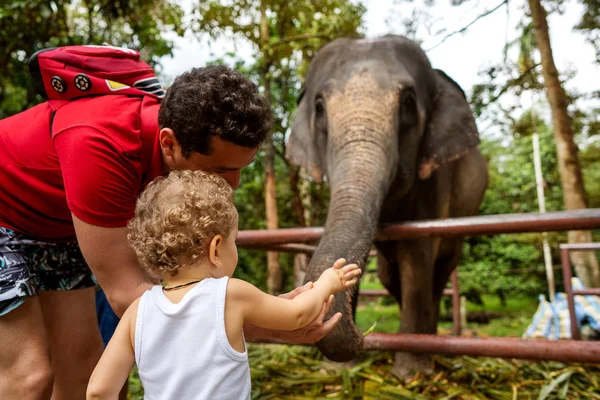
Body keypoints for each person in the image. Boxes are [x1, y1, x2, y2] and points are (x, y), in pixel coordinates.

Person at [0, 62, 343, 399]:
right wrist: (271, 323)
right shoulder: (101, 143)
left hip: (59, 224)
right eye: (221, 170)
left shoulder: (180, 154)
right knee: (30, 375)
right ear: (169, 144)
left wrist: (262, 315)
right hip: (6, 210)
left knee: (84, 366)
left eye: (242, 169)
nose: (234, 184)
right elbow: (126, 293)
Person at [86, 170, 361, 399]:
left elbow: (98, 391)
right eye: (234, 241)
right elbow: (298, 314)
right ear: (216, 249)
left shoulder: (138, 310)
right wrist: (327, 283)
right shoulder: (230, 294)